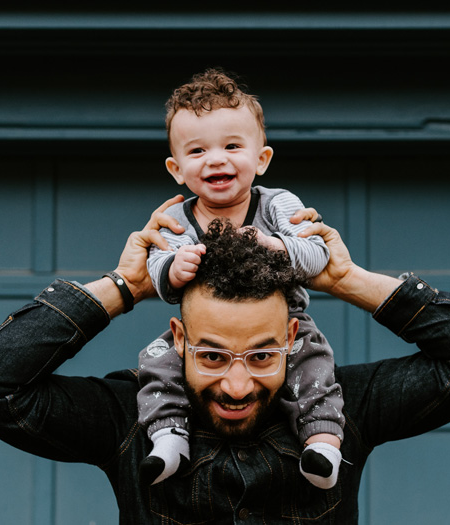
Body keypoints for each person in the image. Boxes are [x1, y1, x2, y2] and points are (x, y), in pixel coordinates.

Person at [0, 196, 450, 524]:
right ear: (178, 339)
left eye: (263, 354)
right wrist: (123, 286)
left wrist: (346, 280)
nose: (239, 384)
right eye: (214, 356)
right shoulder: (128, 418)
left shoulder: (342, 409)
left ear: (294, 336)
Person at [139, 68, 344, 489]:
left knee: (314, 363)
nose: (216, 159)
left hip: (285, 321)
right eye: (197, 152)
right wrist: (172, 268)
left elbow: (316, 253)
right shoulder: (176, 217)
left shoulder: (277, 205)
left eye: (232, 146)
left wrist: (277, 246)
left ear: (262, 159)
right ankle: (168, 437)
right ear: (177, 169)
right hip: (203, 332)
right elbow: (157, 269)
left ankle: (322, 443)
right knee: (157, 361)